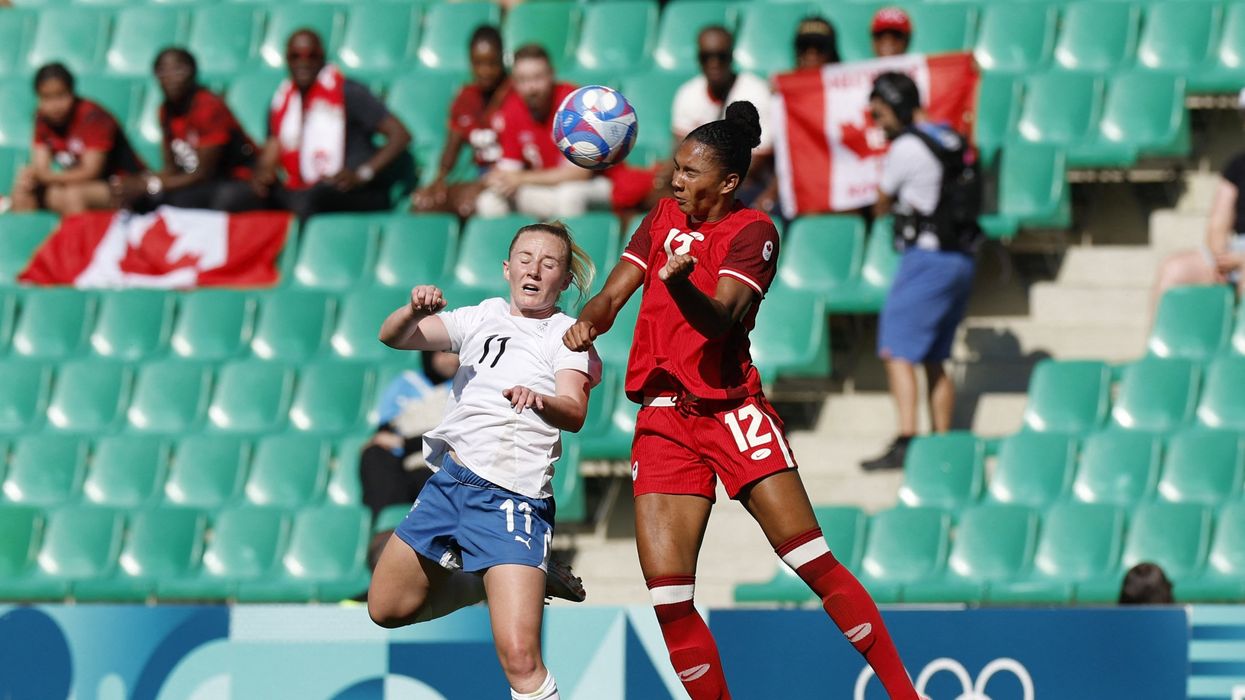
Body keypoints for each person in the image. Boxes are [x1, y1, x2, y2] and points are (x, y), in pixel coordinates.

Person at [563, 102, 920, 700]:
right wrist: (584, 325)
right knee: (671, 600)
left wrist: (678, 285)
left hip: (731, 412)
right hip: (663, 419)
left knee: (811, 561)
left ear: (728, 182)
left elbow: (721, 319)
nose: (677, 181)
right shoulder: (661, 218)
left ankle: (905, 696)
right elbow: (610, 296)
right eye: (676, 168)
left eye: (691, 173)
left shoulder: (754, 232)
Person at [368, 221, 601, 700]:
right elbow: (394, 337)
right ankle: (484, 583)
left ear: (564, 281)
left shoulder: (566, 336)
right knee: (385, 608)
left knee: (520, 661)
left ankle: (517, 575)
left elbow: (574, 411)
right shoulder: (481, 316)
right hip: (450, 485)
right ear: (506, 268)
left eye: (549, 263)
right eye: (525, 259)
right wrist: (412, 310)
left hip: (513, 500)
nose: (534, 270)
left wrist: (539, 399)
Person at [860, 73, 980, 472]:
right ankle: (941, 441)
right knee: (934, 356)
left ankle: (908, 439)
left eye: (880, 112)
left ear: (896, 105)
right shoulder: (947, 135)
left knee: (896, 349)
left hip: (926, 260)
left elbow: (881, 202)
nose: (878, 121)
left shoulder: (907, 146)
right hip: (960, 258)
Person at [253, 29, 412, 222]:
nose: (303, 62)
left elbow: (400, 135)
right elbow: (273, 147)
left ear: (322, 57)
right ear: (286, 59)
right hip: (304, 188)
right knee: (247, 197)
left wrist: (362, 174)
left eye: (312, 56)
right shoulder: (281, 102)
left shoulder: (348, 92)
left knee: (311, 199)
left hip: (355, 190)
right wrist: (263, 174)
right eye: (295, 56)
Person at [112, 48, 262, 213]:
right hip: (196, 184)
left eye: (178, 69)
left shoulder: (208, 106)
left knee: (187, 201)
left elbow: (204, 173)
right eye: (163, 71)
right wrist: (137, 184)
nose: (171, 77)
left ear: (193, 72)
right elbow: (172, 168)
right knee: (138, 199)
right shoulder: (165, 111)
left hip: (235, 180)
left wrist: (150, 185)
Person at [475, 44, 611, 219]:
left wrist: (521, 179)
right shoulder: (513, 108)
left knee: (570, 196)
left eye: (537, 77)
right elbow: (510, 170)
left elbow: (580, 173)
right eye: (523, 80)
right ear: (514, 82)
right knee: (490, 201)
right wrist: (498, 179)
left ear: (551, 74)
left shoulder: (574, 104)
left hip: (595, 185)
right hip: (547, 189)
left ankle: (571, 246)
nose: (531, 87)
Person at [9, 63, 145, 216]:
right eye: (46, 98)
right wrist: (31, 178)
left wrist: (45, 177)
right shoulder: (42, 119)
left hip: (122, 186)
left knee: (73, 196)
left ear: (72, 92)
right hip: (80, 186)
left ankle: (79, 240)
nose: (54, 105)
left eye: (60, 95)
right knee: (23, 191)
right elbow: (40, 166)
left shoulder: (94, 117)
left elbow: (91, 171)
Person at [1153, 90, 1245, 305]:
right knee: (1173, 270)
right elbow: (1217, 226)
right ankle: (1154, 338)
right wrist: (1221, 259)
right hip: (1236, 249)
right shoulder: (1236, 167)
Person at [412, 25, 510, 219]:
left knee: (472, 205)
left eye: (492, 63)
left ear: (502, 60)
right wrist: (439, 179)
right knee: (423, 204)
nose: (485, 71)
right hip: (482, 174)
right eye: (478, 63)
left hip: (511, 177)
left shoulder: (514, 94)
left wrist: (481, 185)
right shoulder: (466, 97)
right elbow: (452, 145)